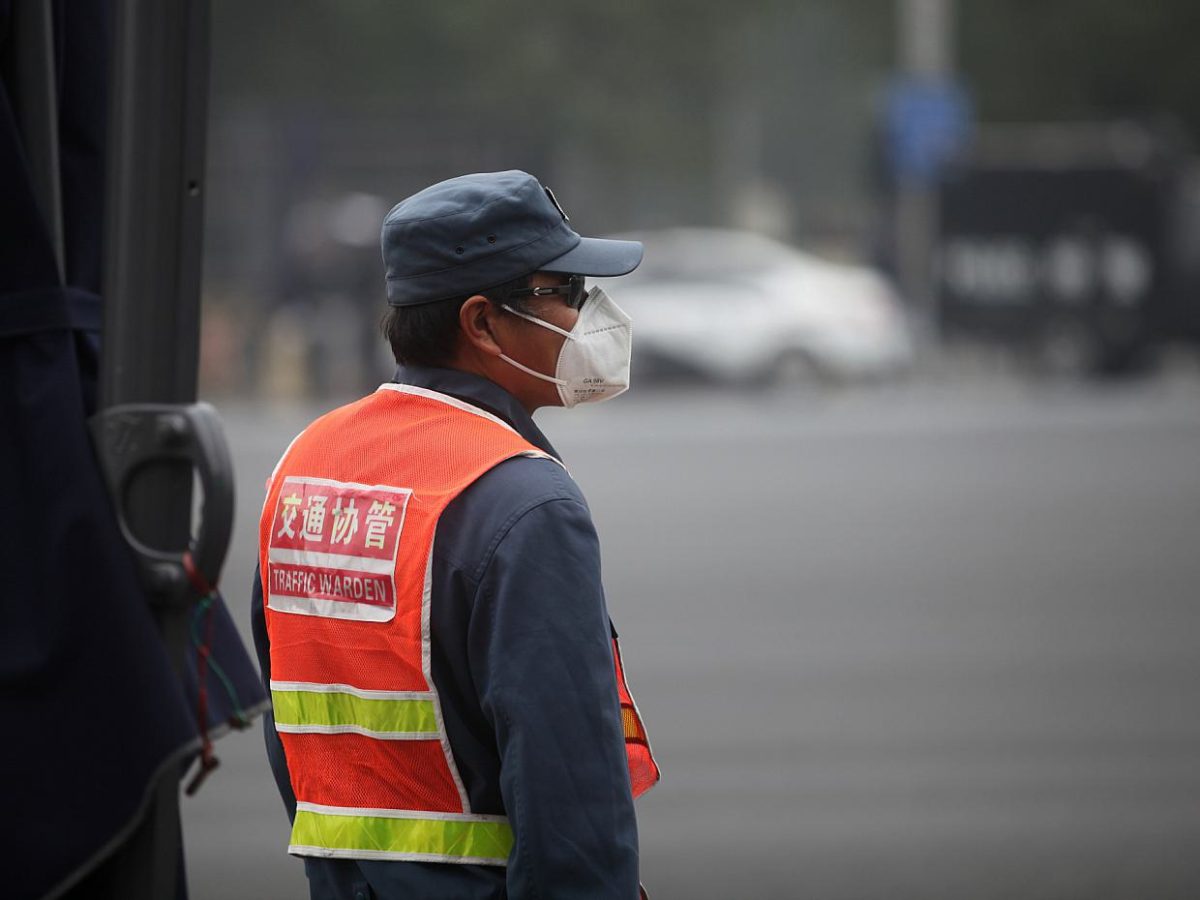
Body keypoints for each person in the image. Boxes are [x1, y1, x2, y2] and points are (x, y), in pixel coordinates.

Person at [251, 170, 660, 900]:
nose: (588, 314)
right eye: (562, 291)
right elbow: (571, 810)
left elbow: (292, 731)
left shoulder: (302, 467)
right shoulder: (523, 499)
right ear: (480, 322)